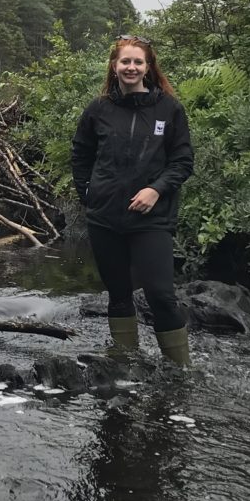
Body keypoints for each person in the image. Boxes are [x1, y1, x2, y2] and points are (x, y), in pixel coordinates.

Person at [71, 35, 194, 365]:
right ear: (114, 66)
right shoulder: (99, 110)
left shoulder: (168, 109)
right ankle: (125, 361)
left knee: (161, 295)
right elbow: (80, 154)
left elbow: (182, 162)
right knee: (119, 294)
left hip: (152, 219)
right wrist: (87, 193)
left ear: (148, 67)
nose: (131, 67)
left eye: (138, 62)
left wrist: (156, 189)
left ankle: (180, 370)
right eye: (125, 61)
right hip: (105, 218)